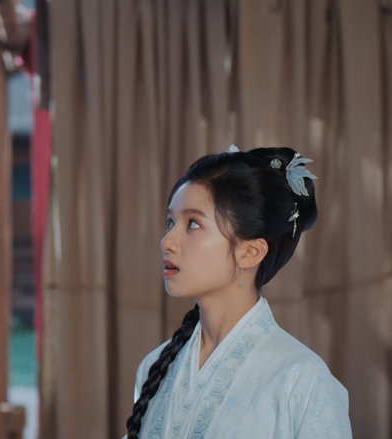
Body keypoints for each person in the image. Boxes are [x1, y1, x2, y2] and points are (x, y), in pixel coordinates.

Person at [124, 146, 351, 439]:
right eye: (170, 222)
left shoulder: (302, 381)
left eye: (192, 224)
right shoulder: (155, 368)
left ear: (250, 252)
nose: (167, 242)